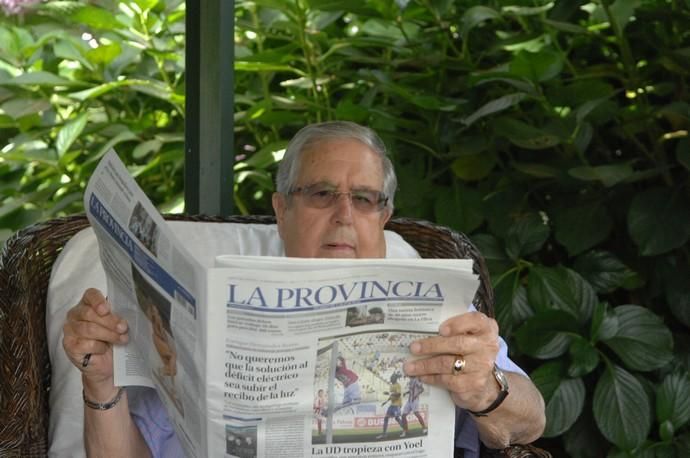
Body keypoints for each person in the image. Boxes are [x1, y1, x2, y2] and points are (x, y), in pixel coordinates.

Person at [62, 121, 546, 457]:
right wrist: (100, 383)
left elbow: (530, 422)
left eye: (363, 199)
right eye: (320, 194)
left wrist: (487, 390)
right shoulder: (208, 313)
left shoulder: (437, 308)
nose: (344, 214)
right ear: (280, 209)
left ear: (384, 217)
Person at [376, 372, 404, 439]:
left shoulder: (398, 385)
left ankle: (405, 429)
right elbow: (392, 395)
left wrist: (388, 393)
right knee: (386, 418)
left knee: (397, 418)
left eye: (391, 378)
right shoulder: (391, 386)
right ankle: (384, 434)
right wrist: (385, 402)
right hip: (392, 404)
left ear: (395, 378)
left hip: (397, 404)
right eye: (390, 378)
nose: (390, 379)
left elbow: (398, 394)